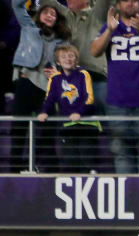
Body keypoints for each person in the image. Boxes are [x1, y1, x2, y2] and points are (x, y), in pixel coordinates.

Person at [91, 0, 139, 174]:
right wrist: (109, 30)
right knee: (121, 151)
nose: (131, 3)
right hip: (118, 101)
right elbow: (94, 51)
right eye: (126, 0)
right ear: (118, 5)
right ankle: (127, 196)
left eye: (134, 0)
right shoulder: (110, 26)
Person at [10, 0, 71, 173]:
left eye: (53, 13)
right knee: (19, 127)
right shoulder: (29, 28)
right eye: (46, 12)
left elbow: (69, 60)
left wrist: (58, 73)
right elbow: (17, 5)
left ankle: (46, 167)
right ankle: (15, 167)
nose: (50, 15)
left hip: (48, 87)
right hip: (27, 82)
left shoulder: (63, 38)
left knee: (47, 130)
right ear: (39, 15)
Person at [37, 44, 101, 174]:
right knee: (69, 162)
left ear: (76, 60)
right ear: (58, 61)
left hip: (86, 125)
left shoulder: (83, 74)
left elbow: (89, 98)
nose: (68, 59)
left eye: (71, 56)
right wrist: (44, 112)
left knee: (87, 161)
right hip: (67, 126)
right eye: (64, 57)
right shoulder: (55, 79)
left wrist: (79, 113)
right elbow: (49, 99)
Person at [45, 0, 112, 111]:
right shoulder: (63, 14)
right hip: (68, 77)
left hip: (95, 76)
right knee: (68, 119)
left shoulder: (97, 13)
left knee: (101, 118)